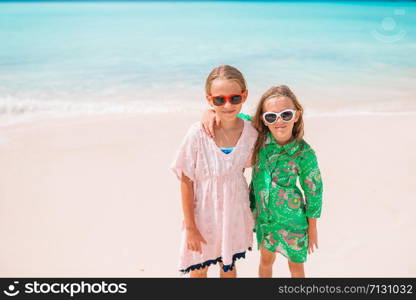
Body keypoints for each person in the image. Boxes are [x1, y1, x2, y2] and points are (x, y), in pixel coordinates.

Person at [201, 85, 323, 278]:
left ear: (297, 115)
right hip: (265, 218)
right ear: (264, 120)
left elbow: (314, 191)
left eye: (286, 115)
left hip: (294, 222)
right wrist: (209, 113)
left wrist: (313, 227)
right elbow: (230, 115)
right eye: (271, 117)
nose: (279, 121)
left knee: (296, 267)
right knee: (266, 262)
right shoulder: (258, 136)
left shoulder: (304, 153)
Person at [171, 65, 258, 278]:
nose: (227, 105)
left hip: (235, 214)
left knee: (228, 266)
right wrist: (190, 227)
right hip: (203, 217)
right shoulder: (197, 134)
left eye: (234, 98)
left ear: (244, 96)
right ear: (210, 100)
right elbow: (186, 181)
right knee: (199, 269)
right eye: (219, 100)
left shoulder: (251, 133)